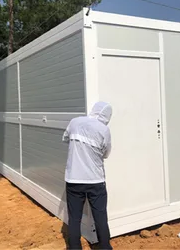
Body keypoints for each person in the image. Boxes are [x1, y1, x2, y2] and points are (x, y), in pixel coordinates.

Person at [62, 101, 113, 250]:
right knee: (100, 217)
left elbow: (65, 138)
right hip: (96, 180)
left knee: (75, 218)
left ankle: (75, 247)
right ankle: (105, 247)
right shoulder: (104, 130)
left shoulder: (75, 122)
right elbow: (106, 153)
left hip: (73, 179)